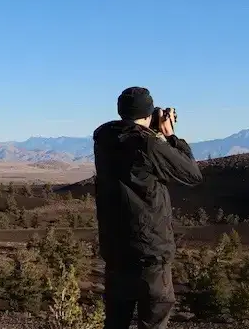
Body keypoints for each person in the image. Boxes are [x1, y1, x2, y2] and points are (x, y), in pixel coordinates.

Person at [93, 86, 203, 329]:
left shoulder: (103, 140)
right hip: (150, 253)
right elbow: (192, 174)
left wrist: (149, 130)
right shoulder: (149, 145)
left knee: (115, 322)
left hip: (116, 251)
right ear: (149, 112)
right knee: (153, 321)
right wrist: (170, 135)